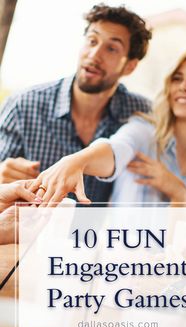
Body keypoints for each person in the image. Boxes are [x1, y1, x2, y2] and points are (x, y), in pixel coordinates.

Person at [32, 49, 186, 218]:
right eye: (177, 78)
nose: (183, 87)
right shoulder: (143, 133)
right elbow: (114, 149)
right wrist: (78, 161)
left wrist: (179, 195)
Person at [0, 4, 152, 203]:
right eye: (92, 41)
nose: (94, 54)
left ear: (129, 66)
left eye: (112, 48)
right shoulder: (24, 105)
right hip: (27, 232)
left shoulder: (140, 113)